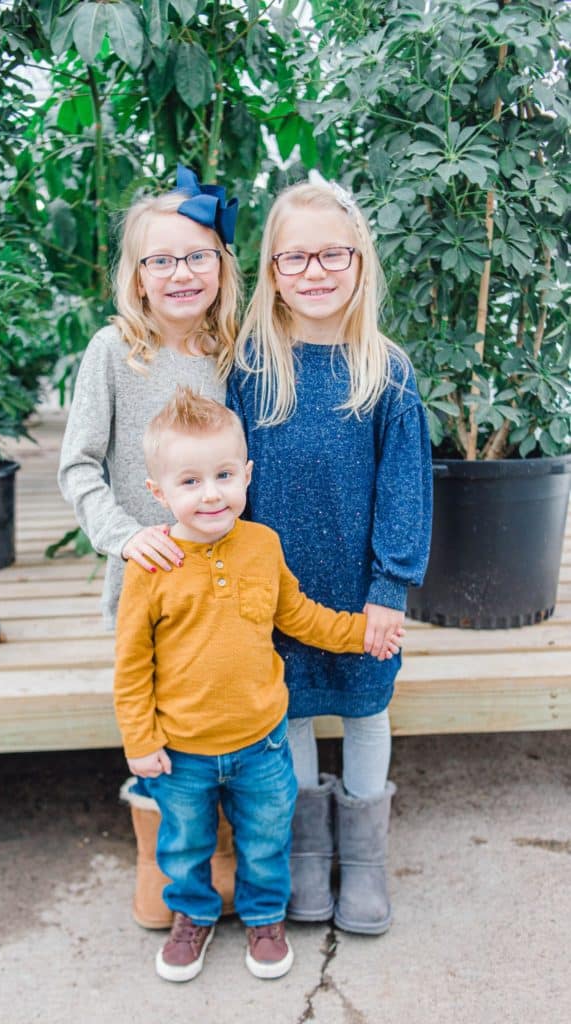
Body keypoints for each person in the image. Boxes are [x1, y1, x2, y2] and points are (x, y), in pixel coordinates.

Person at [114, 387, 405, 983]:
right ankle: (192, 916)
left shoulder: (263, 546)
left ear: (247, 474)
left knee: (268, 838)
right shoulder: (151, 566)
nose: (211, 493)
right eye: (189, 481)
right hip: (184, 751)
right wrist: (139, 740)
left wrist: (360, 634)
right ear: (158, 493)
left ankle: (265, 917)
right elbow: (131, 663)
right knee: (185, 845)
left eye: (224, 474)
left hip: (262, 743)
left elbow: (298, 616)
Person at [227, 173, 432, 936]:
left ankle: (366, 865)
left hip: (358, 589)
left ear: (359, 262)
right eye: (294, 259)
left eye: (330, 256)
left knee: (366, 710)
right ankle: (305, 855)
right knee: (292, 715)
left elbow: (404, 489)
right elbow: (232, 488)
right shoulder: (252, 368)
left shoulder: (387, 371)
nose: (313, 273)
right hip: (277, 591)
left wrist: (389, 586)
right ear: (273, 275)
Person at [58, 165, 241, 929]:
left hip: (227, 579)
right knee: (154, 722)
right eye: (159, 260)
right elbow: (77, 465)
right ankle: (159, 858)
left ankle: (224, 851)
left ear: (222, 267)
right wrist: (126, 537)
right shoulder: (112, 351)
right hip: (148, 579)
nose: (179, 273)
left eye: (196, 256)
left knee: (224, 709)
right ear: (134, 277)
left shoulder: (235, 349)